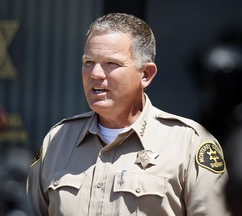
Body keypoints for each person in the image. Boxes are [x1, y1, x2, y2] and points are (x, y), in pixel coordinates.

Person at [27, 13, 230, 215]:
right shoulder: (58, 141)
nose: (95, 74)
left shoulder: (188, 143)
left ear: (146, 75)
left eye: (111, 64)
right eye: (88, 62)